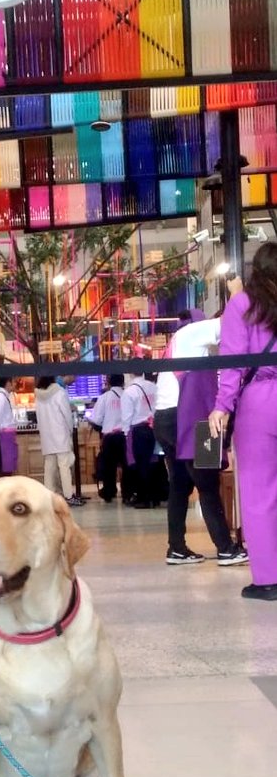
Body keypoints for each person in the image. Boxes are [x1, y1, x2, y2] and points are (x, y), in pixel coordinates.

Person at [209, 243, 277, 600]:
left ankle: (268, 578)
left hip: (259, 402)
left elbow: (232, 363)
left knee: (259, 491)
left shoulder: (242, 306)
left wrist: (222, 406)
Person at [175, 357, 248, 566]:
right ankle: (225, 548)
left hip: (187, 436)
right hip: (201, 435)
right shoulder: (202, 373)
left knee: (188, 490)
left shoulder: (184, 375)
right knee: (208, 491)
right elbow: (212, 410)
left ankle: (178, 547)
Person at [34, 376, 81, 506]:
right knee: (64, 466)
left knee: (49, 468)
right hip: (60, 435)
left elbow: (38, 416)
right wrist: (70, 430)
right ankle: (68, 496)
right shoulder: (60, 393)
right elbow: (66, 414)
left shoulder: (38, 395)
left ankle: (48, 497)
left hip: (46, 436)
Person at [87, 374, 128, 503]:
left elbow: (97, 420)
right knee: (127, 466)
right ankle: (127, 493)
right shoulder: (128, 395)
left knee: (109, 467)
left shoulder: (104, 398)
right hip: (125, 436)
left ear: (109, 383)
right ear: (123, 382)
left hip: (110, 437)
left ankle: (109, 492)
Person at [121, 373, 158, 508]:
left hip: (138, 430)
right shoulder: (153, 387)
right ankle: (154, 497)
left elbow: (127, 416)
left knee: (140, 465)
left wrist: (126, 434)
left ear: (130, 373)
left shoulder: (129, 392)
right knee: (152, 463)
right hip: (153, 428)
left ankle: (144, 498)